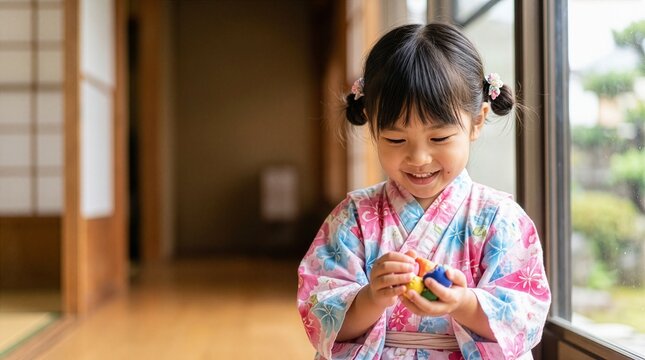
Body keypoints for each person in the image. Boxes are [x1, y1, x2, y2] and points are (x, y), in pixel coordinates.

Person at [297, 22, 551, 360]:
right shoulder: (354, 216)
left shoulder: (499, 219)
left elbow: (524, 317)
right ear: (372, 125)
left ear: (476, 122)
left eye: (439, 138)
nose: (418, 158)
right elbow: (320, 311)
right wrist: (371, 297)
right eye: (396, 140)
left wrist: (463, 303)